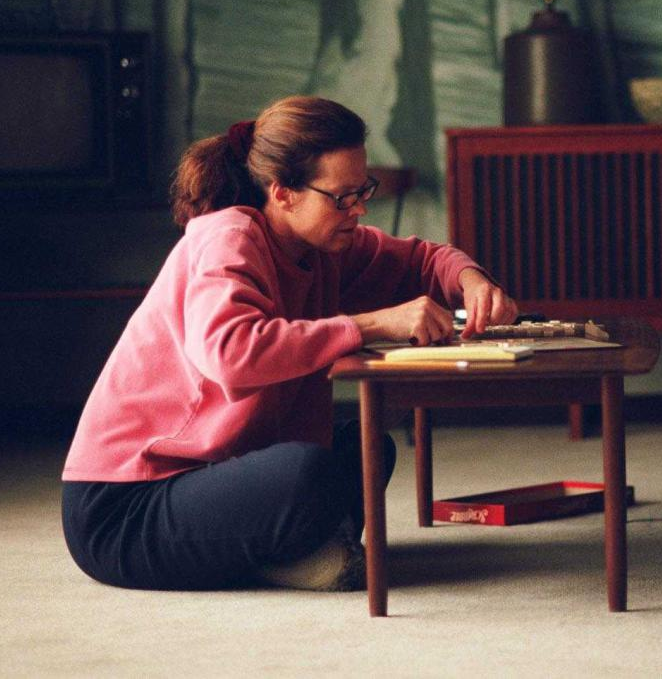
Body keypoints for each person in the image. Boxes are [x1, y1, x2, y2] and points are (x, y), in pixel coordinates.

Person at [61, 96, 517, 592]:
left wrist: (472, 281)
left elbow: (423, 260)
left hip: (209, 478)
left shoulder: (321, 242)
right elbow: (232, 353)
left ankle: (282, 553)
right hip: (125, 508)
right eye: (342, 197)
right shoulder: (228, 236)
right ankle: (288, 553)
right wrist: (368, 325)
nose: (359, 208)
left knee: (365, 450)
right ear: (283, 194)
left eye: (362, 190)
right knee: (306, 473)